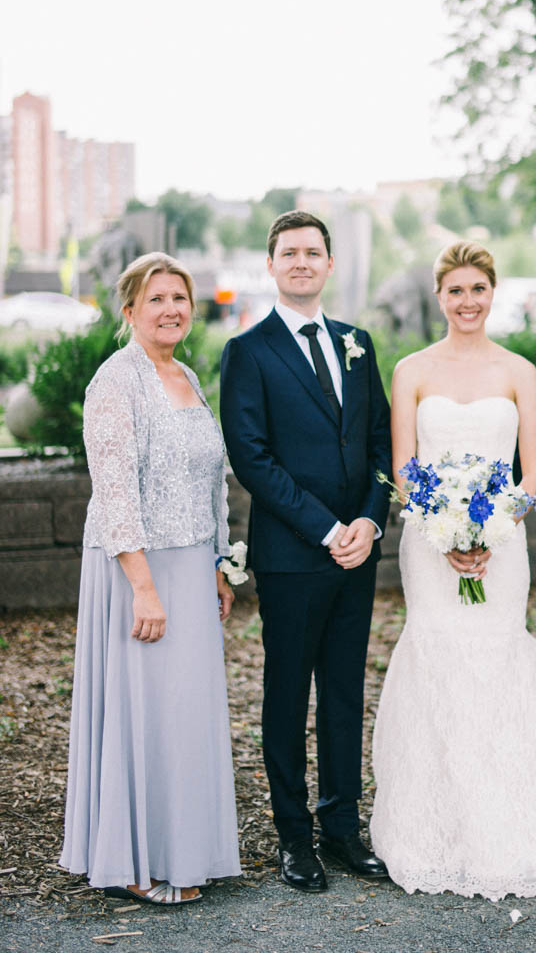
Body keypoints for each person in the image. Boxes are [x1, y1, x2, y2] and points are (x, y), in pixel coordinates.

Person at [370, 241, 536, 900]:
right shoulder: (411, 371)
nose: (466, 301)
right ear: (439, 297)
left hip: (502, 545)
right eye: (454, 290)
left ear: (493, 292)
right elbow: (404, 468)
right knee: (442, 663)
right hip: (430, 548)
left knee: (498, 661)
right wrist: (442, 528)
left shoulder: (517, 370)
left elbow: (534, 473)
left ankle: (517, 820)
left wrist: (491, 528)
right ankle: (443, 829)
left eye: (477, 289)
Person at [60, 252, 241, 904]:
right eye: (156, 299)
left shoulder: (186, 374)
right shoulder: (116, 381)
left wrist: (220, 561)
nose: (171, 309)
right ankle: (132, 862)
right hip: (138, 568)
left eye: (180, 299)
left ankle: (183, 849)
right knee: (144, 714)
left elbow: (211, 480)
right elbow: (113, 493)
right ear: (130, 310)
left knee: (185, 714)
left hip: (192, 566)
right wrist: (142, 585)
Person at [220, 210, 392, 893]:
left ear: (328, 264)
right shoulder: (249, 350)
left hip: (358, 554)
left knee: (346, 694)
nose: (301, 262)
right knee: (288, 697)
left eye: (312, 252)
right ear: (270, 265)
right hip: (294, 556)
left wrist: (371, 524)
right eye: (288, 253)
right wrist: (327, 528)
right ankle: (295, 838)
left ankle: (342, 826)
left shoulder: (358, 342)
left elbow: (381, 443)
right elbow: (252, 460)